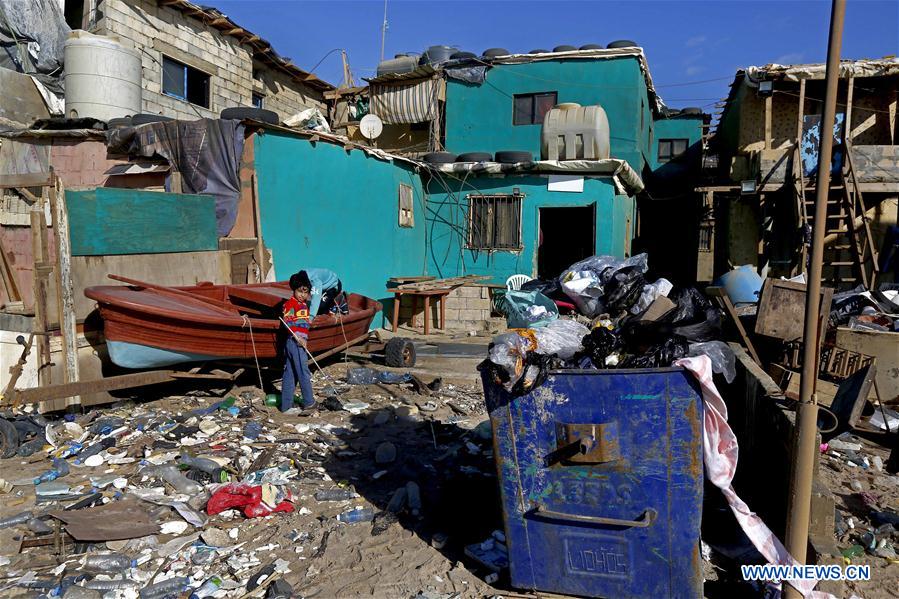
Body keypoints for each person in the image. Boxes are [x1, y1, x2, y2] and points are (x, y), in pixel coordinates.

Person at [281, 271, 315, 412]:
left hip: (298, 342)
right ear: (294, 290)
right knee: (303, 371)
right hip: (294, 342)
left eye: (305, 292)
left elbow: (304, 325)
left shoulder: (304, 306)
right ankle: (309, 402)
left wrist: (304, 338)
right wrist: (299, 337)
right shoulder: (290, 304)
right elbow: (287, 322)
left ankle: (286, 406)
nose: (302, 295)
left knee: (290, 373)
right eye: (299, 291)